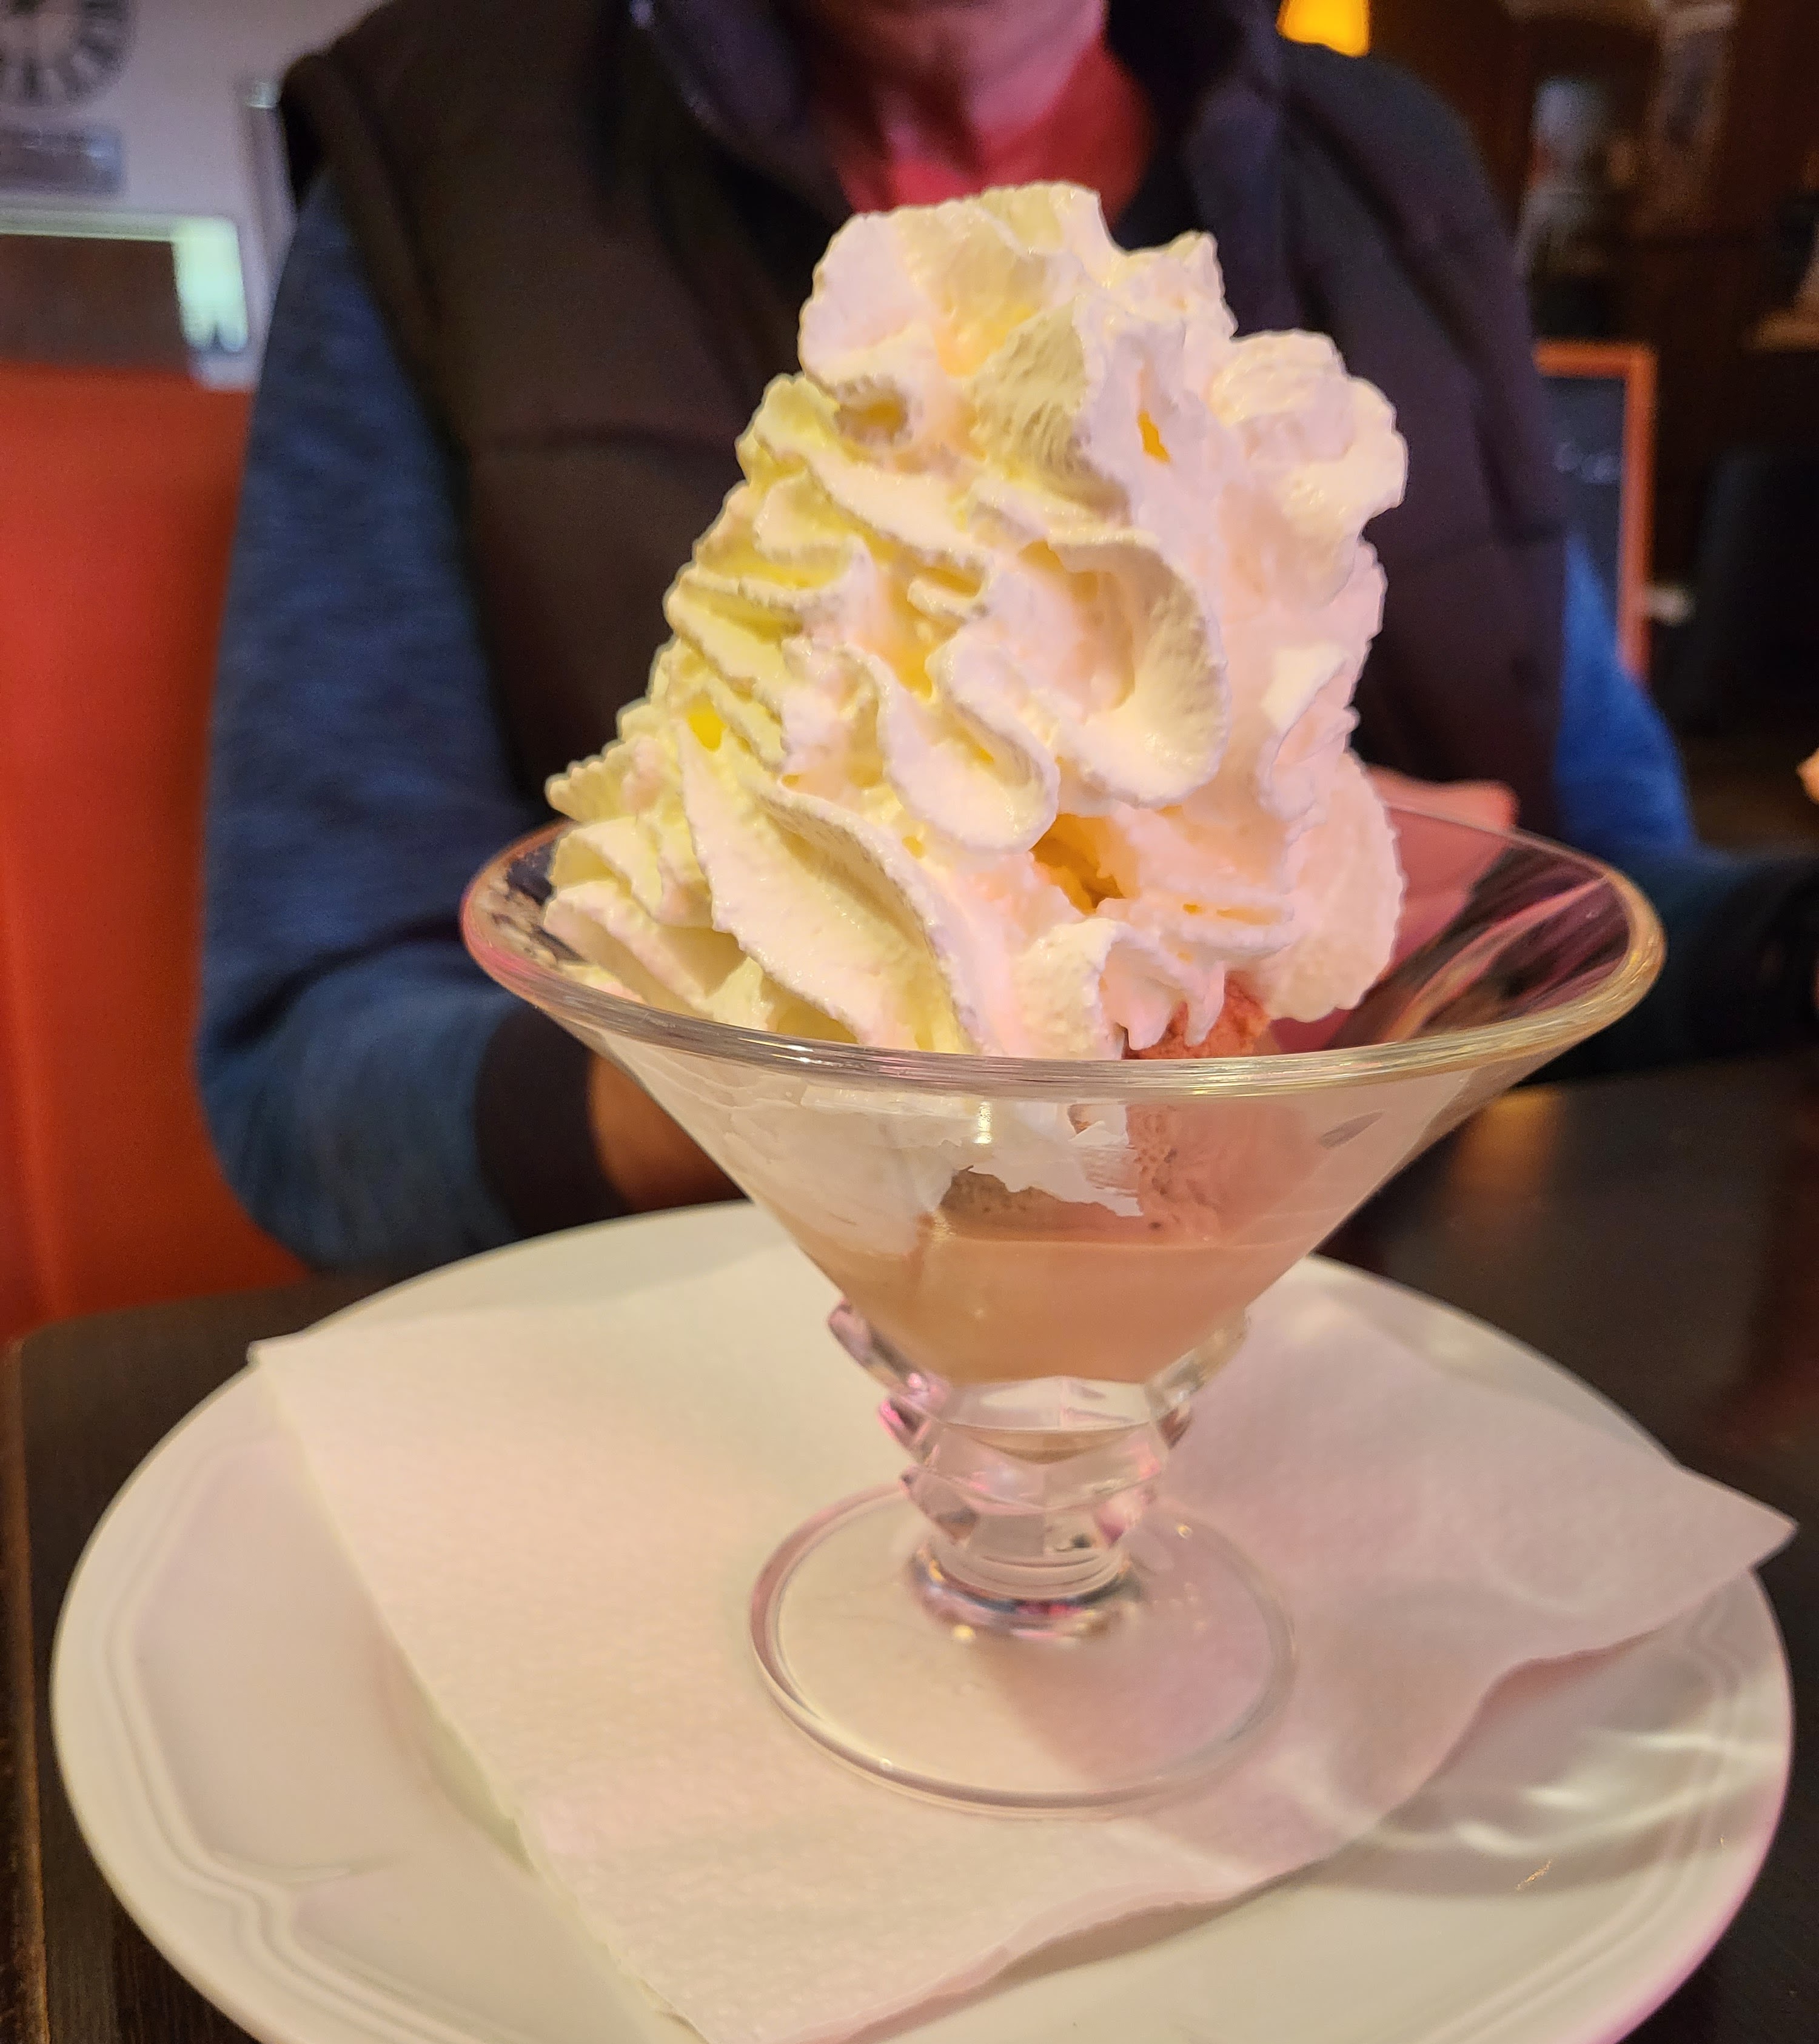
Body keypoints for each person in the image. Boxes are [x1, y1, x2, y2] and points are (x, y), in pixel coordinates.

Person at [199, 0, 1819, 1273]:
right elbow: (298, 1079)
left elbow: (1596, 887)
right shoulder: (450, 165)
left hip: (1394, 1331)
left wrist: (1779, 940)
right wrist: (830, 1065)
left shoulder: (1401, 182)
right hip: (686, 1354)